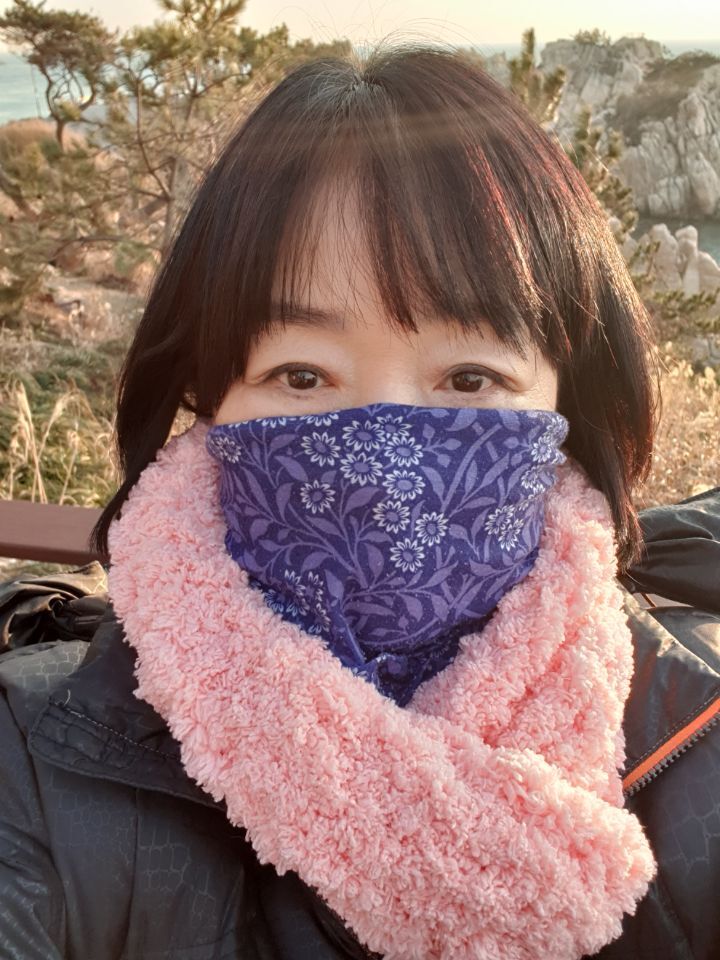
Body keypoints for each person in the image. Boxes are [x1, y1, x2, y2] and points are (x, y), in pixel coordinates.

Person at [0, 43, 719, 960]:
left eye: (470, 376)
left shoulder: (697, 748)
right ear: (206, 398)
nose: (384, 465)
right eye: (302, 374)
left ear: (568, 403)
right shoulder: (36, 761)